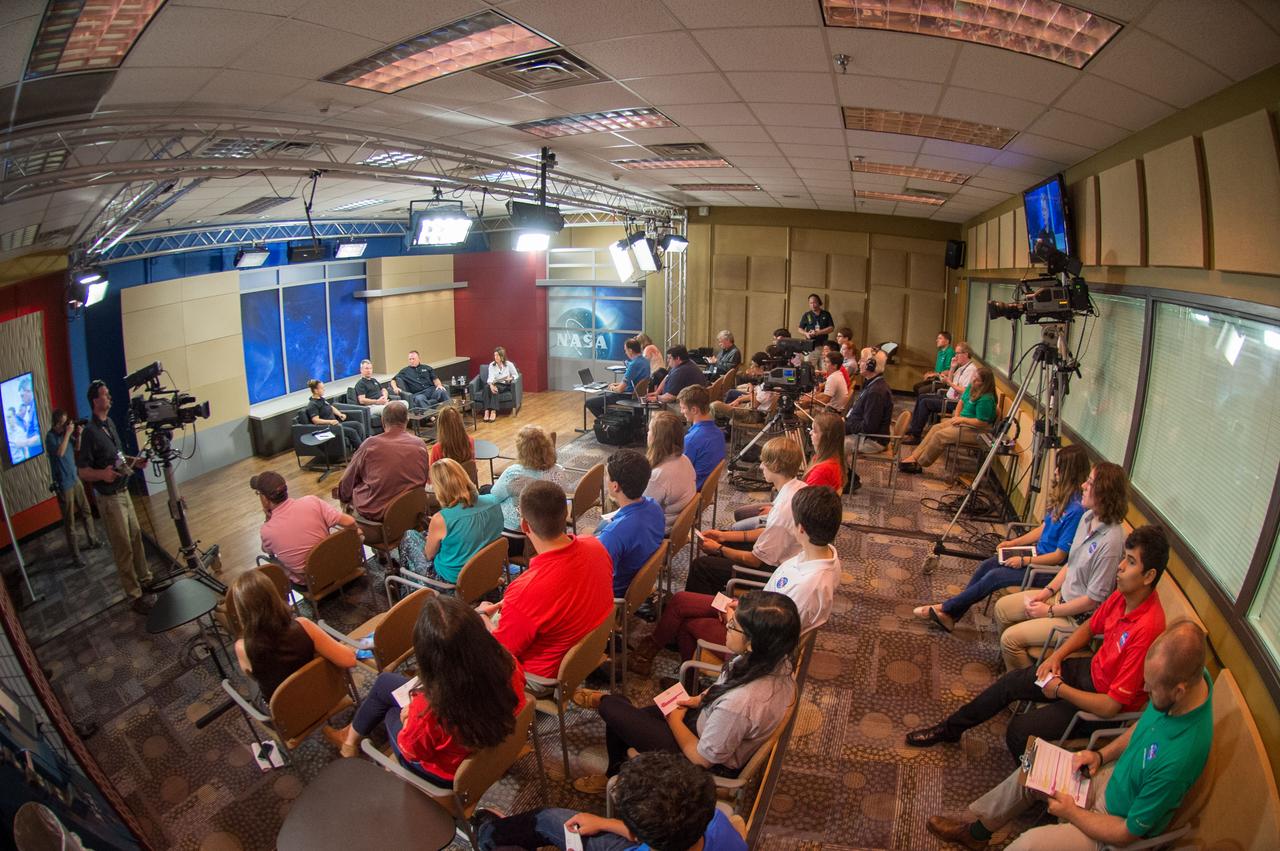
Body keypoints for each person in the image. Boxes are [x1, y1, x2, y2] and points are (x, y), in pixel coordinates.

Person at [924, 620, 1212, 851]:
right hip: (1111, 779)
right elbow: (1145, 724)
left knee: (1026, 846)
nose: (1146, 693)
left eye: (1152, 689)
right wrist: (1100, 754)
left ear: (1179, 690)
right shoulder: (1190, 684)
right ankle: (975, 832)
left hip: (1113, 827)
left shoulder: (1179, 759)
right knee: (1033, 768)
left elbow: (1128, 834)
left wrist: (1072, 812)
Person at [906, 525, 1169, 759]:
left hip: (1098, 704)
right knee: (1011, 683)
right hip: (1088, 673)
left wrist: (1059, 690)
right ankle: (950, 729)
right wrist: (1057, 657)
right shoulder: (1125, 595)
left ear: (1148, 576)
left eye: (1130, 562)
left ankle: (1043, 794)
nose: (1121, 567)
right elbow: (1091, 627)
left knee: (1019, 733)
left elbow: (1111, 707)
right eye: (1124, 558)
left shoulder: (1147, 630)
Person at [572, 591, 799, 795]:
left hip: (698, 761)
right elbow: (727, 682)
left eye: (733, 627)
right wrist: (699, 699)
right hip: (704, 720)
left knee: (612, 707)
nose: (726, 629)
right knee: (621, 718)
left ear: (752, 643)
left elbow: (702, 759)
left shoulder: (740, 704)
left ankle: (604, 706)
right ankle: (614, 773)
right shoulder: (771, 659)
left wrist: (674, 719)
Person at [625, 485, 840, 677]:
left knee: (687, 625)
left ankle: (692, 686)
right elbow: (773, 600)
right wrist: (741, 605)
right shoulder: (823, 552)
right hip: (753, 611)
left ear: (800, 528)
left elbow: (772, 639)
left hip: (753, 642)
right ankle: (647, 653)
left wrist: (733, 618)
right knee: (681, 600)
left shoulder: (809, 586)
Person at [326, 595, 527, 783]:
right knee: (385, 682)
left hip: (447, 774)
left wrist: (406, 719)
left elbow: (412, 751)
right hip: (494, 739)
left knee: (391, 711)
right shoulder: (508, 663)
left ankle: (351, 743)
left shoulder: (429, 709)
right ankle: (349, 739)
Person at [913, 444, 1089, 630]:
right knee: (987, 565)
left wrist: (1024, 560)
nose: (1055, 471)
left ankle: (946, 609)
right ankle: (951, 614)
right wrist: (1013, 543)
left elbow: (1059, 557)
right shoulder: (1064, 497)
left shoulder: (1076, 510)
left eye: (1059, 467)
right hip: (1035, 554)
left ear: (1070, 472)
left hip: (1045, 567)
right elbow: (1044, 528)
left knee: (994, 576)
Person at [995, 462, 1130, 671]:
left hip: (1075, 620)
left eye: (1090, 483)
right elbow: (1070, 563)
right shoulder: (1087, 517)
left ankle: (1026, 688)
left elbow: (1093, 601)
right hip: (1059, 598)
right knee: (1002, 608)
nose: (1083, 485)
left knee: (1010, 640)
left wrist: (1049, 611)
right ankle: (1011, 666)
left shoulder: (1111, 542)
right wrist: (1047, 592)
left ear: (1104, 493)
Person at [476, 752, 746, 851]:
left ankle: (487, 834)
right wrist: (604, 822)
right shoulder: (717, 822)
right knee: (549, 818)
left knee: (545, 819)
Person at [479, 480, 614, 678]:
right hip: (586, 649)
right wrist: (509, 604)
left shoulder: (525, 590)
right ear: (565, 515)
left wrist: (482, 618)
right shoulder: (595, 546)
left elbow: (501, 651)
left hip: (542, 675)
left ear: (525, 525)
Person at [669, 436, 805, 601]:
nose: (761, 466)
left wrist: (719, 549)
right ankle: (715, 599)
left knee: (701, 566)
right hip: (783, 558)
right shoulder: (797, 488)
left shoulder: (783, 510)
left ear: (775, 465)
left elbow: (755, 561)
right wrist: (723, 536)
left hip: (774, 572)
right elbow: (767, 532)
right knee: (721, 539)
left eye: (764, 462)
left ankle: (701, 611)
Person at [76, 380, 155, 613]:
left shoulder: (109, 423)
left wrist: (134, 462)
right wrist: (102, 474)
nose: (109, 397)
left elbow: (117, 457)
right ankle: (134, 595)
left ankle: (146, 579)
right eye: (105, 394)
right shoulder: (90, 433)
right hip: (110, 498)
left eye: (109, 393)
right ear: (95, 401)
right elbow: (82, 471)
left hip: (124, 491)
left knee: (136, 537)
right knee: (123, 546)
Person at [225, 569, 356, 704]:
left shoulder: (242, 647)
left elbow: (254, 676)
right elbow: (349, 660)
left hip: (286, 716)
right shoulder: (303, 626)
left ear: (241, 611)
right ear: (274, 596)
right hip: (321, 696)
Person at [336, 400, 430, 545]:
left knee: (344, 498)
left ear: (382, 421)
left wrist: (344, 497)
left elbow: (347, 482)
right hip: (412, 513)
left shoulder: (370, 445)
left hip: (381, 522)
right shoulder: (420, 444)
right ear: (407, 420)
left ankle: (354, 552)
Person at [399, 458, 503, 585]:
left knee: (409, 536)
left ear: (440, 488)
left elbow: (429, 555)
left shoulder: (441, 519)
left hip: (452, 582)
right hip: (487, 571)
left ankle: (406, 589)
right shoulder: (494, 501)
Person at [253, 470, 359, 587]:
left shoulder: (267, 531)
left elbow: (266, 551)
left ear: (265, 499)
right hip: (334, 566)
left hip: (310, 582)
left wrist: (268, 519)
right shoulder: (311, 501)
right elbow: (350, 522)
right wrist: (356, 534)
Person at [490, 425, 574, 553]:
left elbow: (494, 497)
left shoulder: (514, 473)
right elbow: (564, 494)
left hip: (517, 539)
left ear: (521, 450)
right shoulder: (558, 471)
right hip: (551, 530)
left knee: (486, 497)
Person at [898, 366, 996, 473]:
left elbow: (982, 422)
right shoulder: (972, 387)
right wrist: (957, 416)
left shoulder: (986, 399)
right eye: (973, 377)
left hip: (976, 430)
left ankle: (919, 463)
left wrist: (962, 420)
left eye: (977, 380)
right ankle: (914, 457)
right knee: (936, 428)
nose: (973, 380)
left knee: (940, 436)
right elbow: (961, 402)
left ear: (985, 384)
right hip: (963, 421)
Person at [593, 450, 665, 597]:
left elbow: (597, 578)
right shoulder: (654, 506)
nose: (606, 479)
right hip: (638, 582)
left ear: (615, 486)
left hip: (616, 594)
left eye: (607, 476)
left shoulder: (613, 535)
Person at [45, 409, 100, 567]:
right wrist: (68, 433)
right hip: (63, 484)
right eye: (64, 422)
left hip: (75, 479)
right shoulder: (50, 437)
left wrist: (79, 434)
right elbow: (60, 453)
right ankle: (76, 557)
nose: (67, 424)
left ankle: (93, 540)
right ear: (57, 424)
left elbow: (76, 448)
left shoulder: (65, 434)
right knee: (70, 522)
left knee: (86, 511)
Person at [903, 342, 976, 444]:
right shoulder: (961, 367)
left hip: (954, 402)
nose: (955, 356)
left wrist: (949, 382)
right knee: (922, 397)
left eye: (958, 353)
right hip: (947, 396)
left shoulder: (971, 370)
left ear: (966, 354)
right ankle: (913, 428)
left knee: (925, 402)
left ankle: (916, 436)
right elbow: (951, 381)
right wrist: (952, 368)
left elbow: (964, 391)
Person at [842, 355, 894, 493]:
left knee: (833, 444)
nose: (859, 362)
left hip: (873, 440)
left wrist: (846, 426)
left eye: (863, 360)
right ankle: (847, 477)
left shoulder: (876, 391)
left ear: (872, 365)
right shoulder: (872, 384)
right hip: (868, 435)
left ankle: (849, 480)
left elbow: (868, 427)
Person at [642, 412, 697, 534]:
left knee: (615, 500)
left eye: (650, 430)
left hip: (660, 531)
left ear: (657, 438)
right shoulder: (684, 459)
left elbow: (642, 512)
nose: (647, 433)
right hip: (677, 524)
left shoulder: (658, 476)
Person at [587, 337, 650, 420]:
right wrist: (617, 384)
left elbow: (620, 390)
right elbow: (634, 382)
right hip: (636, 395)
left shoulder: (633, 365)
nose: (625, 353)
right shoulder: (645, 361)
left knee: (589, 402)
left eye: (626, 350)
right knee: (603, 396)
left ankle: (608, 422)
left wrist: (613, 388)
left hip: (626, 396)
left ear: (630, 351)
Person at [678, 385, 725, 491]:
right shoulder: (719, 433)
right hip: (707, 489)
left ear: (694, 410)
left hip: (693, 491)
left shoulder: (691, 439)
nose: (681, 411)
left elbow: (680, 472)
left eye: (683, 408)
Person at [305, 379, 365, 453]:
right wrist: (330, 421)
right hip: (328, 428)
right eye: (322, 388)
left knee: (357, 425)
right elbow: (316, 420)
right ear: (316, 390)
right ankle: (362, 452)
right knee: (352, 432)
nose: (324, 389)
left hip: (337, 424)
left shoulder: (321, 400)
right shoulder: (312, 405)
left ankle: (359, 448)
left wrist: (340, 414)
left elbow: (331, 407)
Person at [803, 411, 845, 492]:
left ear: (826, 437)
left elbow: (808, 501)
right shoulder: (829, 458)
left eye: (814, 431)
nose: (810, 433)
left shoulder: (821, 471)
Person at [478, 346, 519, 422]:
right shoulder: (492, 365)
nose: (495, 357)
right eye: (494, 355)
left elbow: (516, 375)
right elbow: (490, 377)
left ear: (502, 356)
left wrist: (510, 378)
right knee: (486, 388)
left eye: (497, 355)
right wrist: (491, 385)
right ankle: (486, 411)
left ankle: (493, 411)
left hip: (504, 384)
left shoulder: (509, 364)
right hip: (494, 383)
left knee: (495, 389)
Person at [428, 406, 474, 473]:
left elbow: (432, 475)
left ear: (441, 426)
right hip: (467, 481)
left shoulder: (437, 448)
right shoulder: (470, 441)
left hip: (446, 483)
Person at [352, 359, 395, 427]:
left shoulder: (374, 380)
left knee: (404, 404)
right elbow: (362, 400)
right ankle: (391, 431)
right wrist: (377, 402)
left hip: (382, 402)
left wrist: (385, 397)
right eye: (366, 368)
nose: (369, 370)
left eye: (370, 368)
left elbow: (383, 389)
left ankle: (399, 430)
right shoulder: (360, 384)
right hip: (371, 406)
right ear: (361, 370)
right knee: (389, 409)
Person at [7, 375, 40, 461]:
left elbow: (39, 437)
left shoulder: (35, 408)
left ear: (29, 391)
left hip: (37, 452)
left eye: (22, 396)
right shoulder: (31, 409)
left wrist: (23, 442)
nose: (21, 399)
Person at [913, 331, 955, 395]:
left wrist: (934, 374)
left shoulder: (950, 352)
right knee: (916, 387)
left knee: (921, 391)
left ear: (947, 341)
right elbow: (938, 370)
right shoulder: (940, 352)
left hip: (943, 381)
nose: (937, 340)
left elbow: (949, 371)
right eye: (937, 338)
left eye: (940, 338)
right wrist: (931, 373)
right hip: (936, 378)